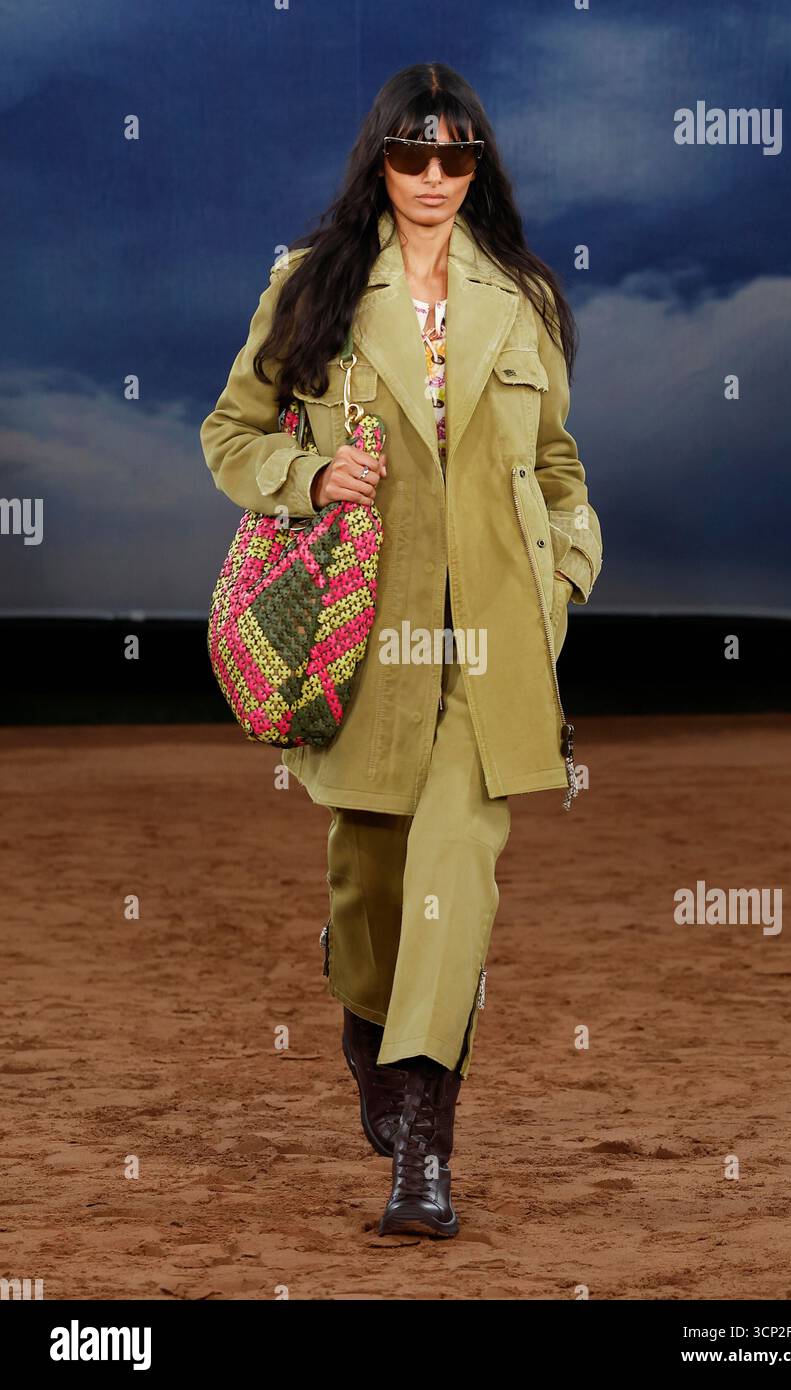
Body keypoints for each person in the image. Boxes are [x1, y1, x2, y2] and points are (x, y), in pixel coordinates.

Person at [200, 62, 603, 1239]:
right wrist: (310, 472)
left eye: (456, 156)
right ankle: (367, 1023)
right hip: (362, 644)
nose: (434, 177)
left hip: (492, 654)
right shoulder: (310, 286)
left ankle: (424, 1147)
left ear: (479, 168)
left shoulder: (519, 297)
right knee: (372, 879)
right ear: (377, 158)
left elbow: (559, 469)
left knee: (454, 876)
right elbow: (230, 435)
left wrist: (561, 581)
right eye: (411, 154)